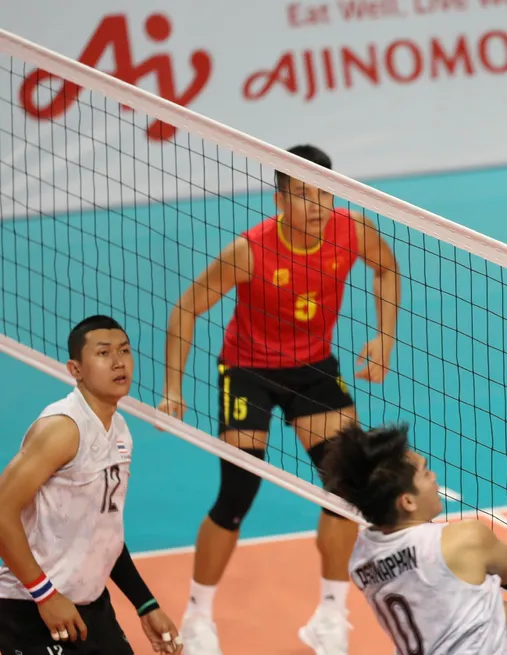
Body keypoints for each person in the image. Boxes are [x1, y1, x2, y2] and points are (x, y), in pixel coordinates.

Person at [158, 144, 400, 655]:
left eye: (324, 195)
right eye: (303, 195)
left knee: (349, 487)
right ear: (279, 200)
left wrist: (385, 337)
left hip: (312, 368)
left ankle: (329, 615)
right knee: (238, 491)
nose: (316, 206)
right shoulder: (249, 251)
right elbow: (186, 310)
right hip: (248, 369)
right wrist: (172, 389)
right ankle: (198, 616)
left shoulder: (353, 231)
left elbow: (386, 269)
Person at [321, 422, 507, 655]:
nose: (434, 477)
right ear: (407, 501)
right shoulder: (465, 540)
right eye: (424, 473)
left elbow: (481, 612)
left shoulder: (361, 559)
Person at [0, 315, 183, 654]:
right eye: (103, 353)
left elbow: (103, 532)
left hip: (91, 606)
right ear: (76, 369)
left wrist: (145, 604)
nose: (118, 362)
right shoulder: (62, 429)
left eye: (124, 350)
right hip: (31, 609)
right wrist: (45, 595)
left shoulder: (120, 431)